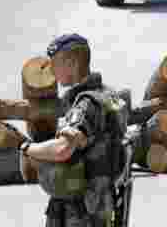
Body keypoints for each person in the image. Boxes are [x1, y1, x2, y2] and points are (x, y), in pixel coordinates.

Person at [19, 34, 130, 227]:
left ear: (71, 63)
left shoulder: (86, 104)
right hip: (103, 200)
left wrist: (26, 148)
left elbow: (63, 149)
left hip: (81, 211)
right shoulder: (108, 94)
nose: (52, 71)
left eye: (55, 64)